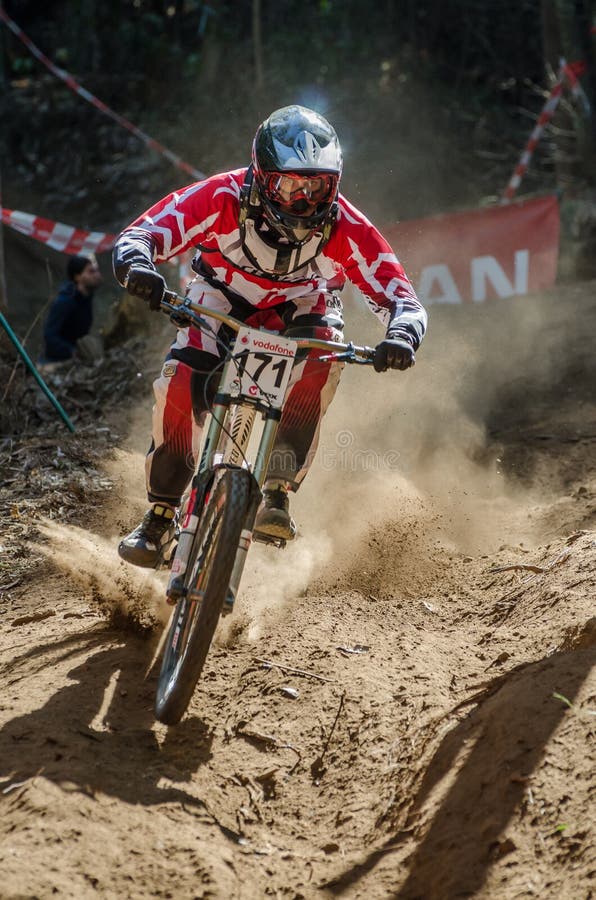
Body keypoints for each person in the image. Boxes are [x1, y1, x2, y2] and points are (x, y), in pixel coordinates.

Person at [113, 105, 427, 568]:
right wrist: (139, 266)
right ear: (261, 176)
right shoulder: (221, 196)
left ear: (334, 184)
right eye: (290, 185)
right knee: (181, 380)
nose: (304, 201)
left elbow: (403, 298)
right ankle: (160, 516)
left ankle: (277, 491)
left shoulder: (344, 224)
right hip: (220, 298)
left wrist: (401, 334)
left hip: (303, 307)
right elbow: (142, 234)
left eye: (316, 186)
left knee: (323, 360)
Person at [42, 254, 103, 363]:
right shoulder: (65, 301)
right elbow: (50, 336)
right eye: (90, 271)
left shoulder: (86, 298)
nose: (97, 275)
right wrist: (72, 351)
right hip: (55, 362)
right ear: (77, 276)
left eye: (96, 271)